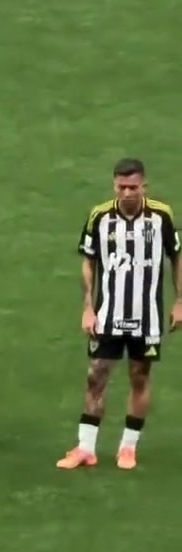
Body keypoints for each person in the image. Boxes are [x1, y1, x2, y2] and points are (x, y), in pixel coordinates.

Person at [57, 158, 181, 471]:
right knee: (96, 375)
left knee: (140, 376)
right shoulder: (99, 217)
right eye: (122, 187)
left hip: (147, 317)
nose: (127, 193)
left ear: (144, 186)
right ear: (114, 185)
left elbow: (177, 258)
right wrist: (88, 307)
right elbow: (89, 261)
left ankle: (128, 447)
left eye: (133, 187)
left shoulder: (161, 216)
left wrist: (180, 301)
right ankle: (86, 448)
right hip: (107, 315)